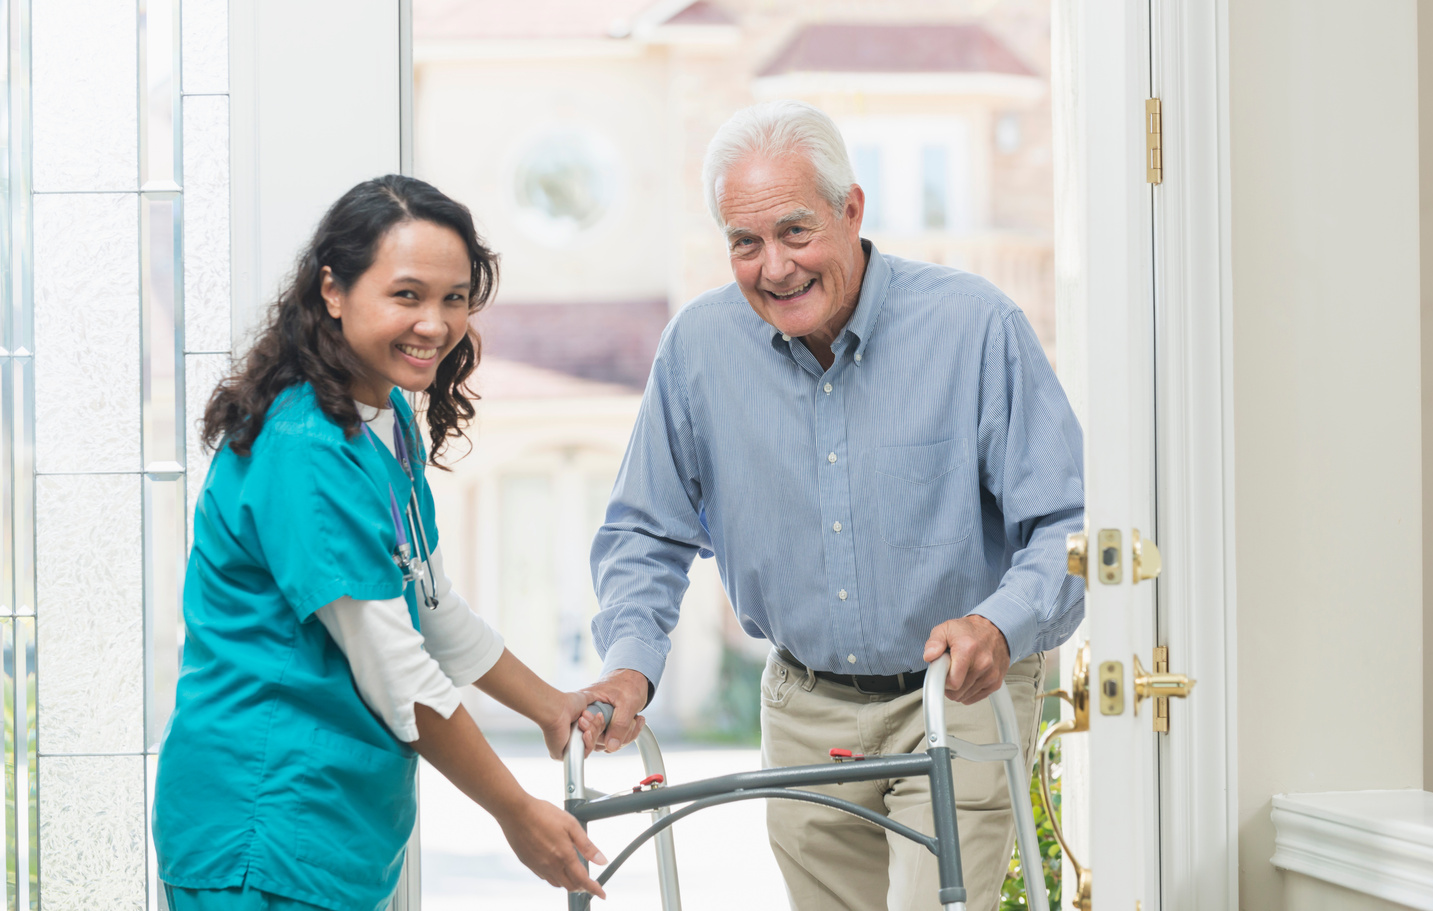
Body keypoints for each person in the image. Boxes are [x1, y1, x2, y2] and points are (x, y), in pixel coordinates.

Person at [582, 101, 1085, 911]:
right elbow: (645, 529)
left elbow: (1065, 525)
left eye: (795, 232)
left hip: (950, 697)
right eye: (745, 243)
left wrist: (999, 624)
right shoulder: (699, 349)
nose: (774, 267)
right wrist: (631, 662)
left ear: (851, 210)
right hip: (804, 701)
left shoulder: (974, 326)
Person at [153, 175, 608, 911]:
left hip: (330, 829)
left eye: (455, 298)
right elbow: (399, 669)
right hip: (262, 823)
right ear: (332, 289)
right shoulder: (305, 446)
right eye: (407, 295)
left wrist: (551, 705)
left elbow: (428, 605)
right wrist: (516, 812)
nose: (435, 323)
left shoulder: (380, 417)